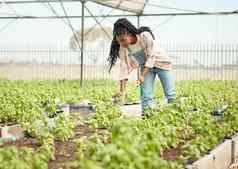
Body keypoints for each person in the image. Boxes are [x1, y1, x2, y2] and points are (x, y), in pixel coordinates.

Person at [108, 18, 176, 117]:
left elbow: (151, 57)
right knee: (146, 94)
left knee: (170, 92)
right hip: (145, 67)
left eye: (123, 40)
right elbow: (124, 67)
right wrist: (122, 90)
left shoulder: (144, 36)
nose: (122, 44)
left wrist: (142, 75)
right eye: (119, 42)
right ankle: (148, 116)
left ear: (129, 34)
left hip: (161, 62)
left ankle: (176, 113)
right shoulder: (123, 47)